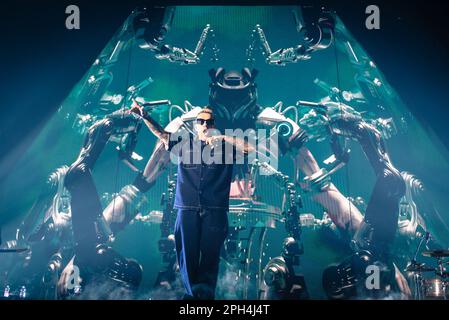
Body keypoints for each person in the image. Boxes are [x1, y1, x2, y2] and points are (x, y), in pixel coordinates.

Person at [129, 100, 255, 299]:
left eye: (209, 122)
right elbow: (161, 134)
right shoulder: (184, 144)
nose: (205, 125)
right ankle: (193, 296)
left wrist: (223, 137)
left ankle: (204, 298)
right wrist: (144, 115)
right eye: (201, 121)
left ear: (214, 125)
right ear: (196, 125)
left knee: (210, 257)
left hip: (215, 210)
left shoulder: (226, 147)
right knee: (186, 257)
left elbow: (249, 148)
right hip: (187, 208)